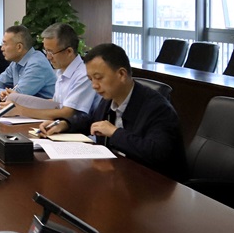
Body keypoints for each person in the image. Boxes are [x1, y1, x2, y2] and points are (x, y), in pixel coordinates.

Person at [44, 43, 187, 182]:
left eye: (99, 78)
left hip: (154, 185)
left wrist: (115, 133)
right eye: (91, 79)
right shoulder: (109, 98)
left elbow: (157, 153)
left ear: (121, 74)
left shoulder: (157, 108)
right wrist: (65, 124)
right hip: (119, 176)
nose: (94, 85)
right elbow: (92, 121)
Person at [4, 23, 97, 121]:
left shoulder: (84, 75)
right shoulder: (61, 72)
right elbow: (57, 104)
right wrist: (20, 102)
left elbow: (67, 113)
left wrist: (21, 110)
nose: (48, 57)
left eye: (51, 52)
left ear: (69, 51)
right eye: (46, 51)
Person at [0, 25, 55, 99]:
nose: (2, 48)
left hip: (45, 112)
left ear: (19, 47)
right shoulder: (16, 62)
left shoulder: (37, 65)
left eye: (5, 44)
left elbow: (16, 96)